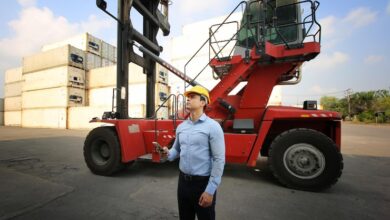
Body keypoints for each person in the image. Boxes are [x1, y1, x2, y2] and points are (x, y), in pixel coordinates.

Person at [160, 85, 225, 220]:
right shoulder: (181, 127)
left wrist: (210, 190)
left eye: (192, 97)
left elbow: (219, 160)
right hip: (183, 183)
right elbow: (176, 150)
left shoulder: (213, 127)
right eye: (188, 97)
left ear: (203, 102)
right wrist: (167, 153)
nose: (188, 100)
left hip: (202, 183)